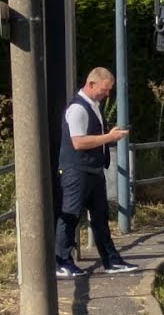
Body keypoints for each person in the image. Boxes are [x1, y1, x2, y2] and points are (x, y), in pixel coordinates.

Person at [53, 67, 138, 278]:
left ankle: (111, 259)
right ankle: (61, 261)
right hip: (77, 170)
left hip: (93, 170)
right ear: (91, 85)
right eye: (104, 89)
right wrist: (110, 138)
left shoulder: (94, 105)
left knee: (100, 216)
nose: (107, 94)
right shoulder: (78, 109)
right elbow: (79, 142)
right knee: (71, 215)